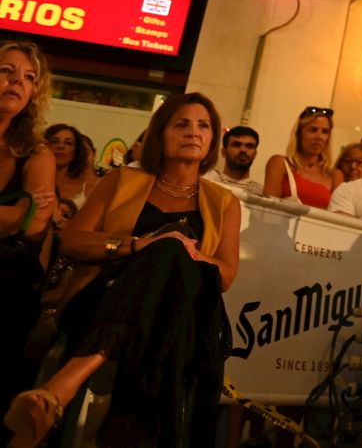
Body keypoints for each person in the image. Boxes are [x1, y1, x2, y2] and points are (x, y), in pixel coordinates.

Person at [6, 92, 240, 447]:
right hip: (104, 298)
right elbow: (72, 241)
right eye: (181, 124)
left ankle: (59, 389)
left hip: (183, 315)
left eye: (203, 125)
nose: (193, 132)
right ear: (160, 133)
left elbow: (224, 275)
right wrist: (133, 245)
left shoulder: (224, 202)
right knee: (165, 256)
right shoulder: (120, 181)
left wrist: (179, 249)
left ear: (212, 140)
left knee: (172, 254)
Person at [0, 42, 57, 408]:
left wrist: (22, 215)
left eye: (29, 76)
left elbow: (33, 221)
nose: (18, 81)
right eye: (6, 71)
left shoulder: (36, 152)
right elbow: (18, 215)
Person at [262, 106, 338, 209]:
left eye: (325, 132)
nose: (319, 137)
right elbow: (267, 210)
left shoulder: (334, 175)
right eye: (313, 130)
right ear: (299, 133)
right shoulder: (280, 164)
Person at [44, 123, 98, 217]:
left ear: (76, 151)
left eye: (68, 143)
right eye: (54, 141)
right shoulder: (27, 181)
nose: (61, 146)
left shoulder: (89, 190)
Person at [204, 125, 262, 195]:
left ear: (255, 154)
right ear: (223, 152)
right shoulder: (207, 181)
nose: (243, 150)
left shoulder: (261, 193)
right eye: (237, 145)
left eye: (249, 146)